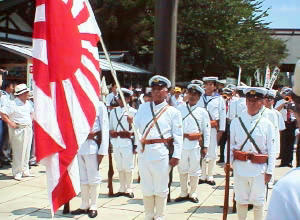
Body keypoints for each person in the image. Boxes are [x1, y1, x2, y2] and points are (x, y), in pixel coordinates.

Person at [134, 75, 183, 220]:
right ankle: (149, 216)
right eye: (154, 89)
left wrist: (176, 155)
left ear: (166, 92)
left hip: (162, 152)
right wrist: (131, 121)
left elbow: (178, 135)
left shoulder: (173, 112)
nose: (156, 92)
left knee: (161, 188)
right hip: (144, 152)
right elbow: (136, 129)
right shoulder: (143, 108)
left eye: (160, 89)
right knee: (147, 187)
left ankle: (160, 216)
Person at [225, 87, 276, 220]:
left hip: (259, 169)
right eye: (250, 100)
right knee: (241, 200)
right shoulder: (236, 122)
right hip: (240, 166)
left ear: (262, 102)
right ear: (246, 102)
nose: (253, 103)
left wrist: (270, 171)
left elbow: (272, 149)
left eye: (256, 100)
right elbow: (230, 145)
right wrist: (228, 162)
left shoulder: (267, 124)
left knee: (258, 201)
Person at [266, 60, 300, 220]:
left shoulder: (290, 189)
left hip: (291, 126)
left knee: (289, 147)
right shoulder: (280, 102)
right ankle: (284, 159)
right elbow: (276, 110)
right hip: (286, 125)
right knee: (287, 145)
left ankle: (287, 159)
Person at [71, 100, 109, 218]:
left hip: (93, 145)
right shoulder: (77, 103)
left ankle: (93, 205)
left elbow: (105, 127)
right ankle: (84, 204)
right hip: (80, 145)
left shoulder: (99, 105)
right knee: (83, 178)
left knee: (94, 178)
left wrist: (103, 150)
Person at [175, 84, 211, 203]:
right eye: (190, 94)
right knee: (182, 169)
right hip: (182, 144)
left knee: (195, 170)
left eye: (195, 94)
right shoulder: (179, 109)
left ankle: (193, 193)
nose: (192, 96)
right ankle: (183, 192)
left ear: (199, 97)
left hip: (195, 145)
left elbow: (206, 130)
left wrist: (205, 146)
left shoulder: (202, 112)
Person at [0, 84, 34, 181]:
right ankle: (17, 172)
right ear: (21, 94)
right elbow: (3, 113)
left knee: (27, 150)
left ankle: (25, 170)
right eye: (26, 92)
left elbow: (32, 112)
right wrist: (11, 123)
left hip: (27, 128)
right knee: (19, 151)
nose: (28, 94)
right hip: (18, 129)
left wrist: (30, 120)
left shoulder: (28, 103)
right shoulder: (12, 103)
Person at [198, 77, 226, 185]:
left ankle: (210, 175)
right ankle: (203, 175)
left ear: (215, 86)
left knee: (213, 152)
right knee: (202, 151)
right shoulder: (200, 98)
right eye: (207, 84)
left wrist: (221, 130)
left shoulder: (219, 99)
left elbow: (222, 116)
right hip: (201, 129)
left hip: (213, 128)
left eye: (211, 84)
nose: (208, 86)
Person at [110, 88, 137, 198]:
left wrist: (136, 145)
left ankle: (129, 188)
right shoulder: (113, 111)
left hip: (127, 142)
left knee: (128, 167)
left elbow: (137, 130)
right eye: (119, 98)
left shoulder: (133, 112)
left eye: (123, 98)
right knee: (120, 166)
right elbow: (110, 127)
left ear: (128, 99)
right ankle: (122, 187)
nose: (121, 100)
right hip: (117, 142)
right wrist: (111, 139)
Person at [275, 88, 296, 167]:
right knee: (284, 143)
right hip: (284, 123)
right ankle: (284, 161)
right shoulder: (280, 102)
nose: (288, 97)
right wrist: (284, 103)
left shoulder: (294, 102)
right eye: (286, 95)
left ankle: (289, 161)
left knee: (290, 143)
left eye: (289, 95)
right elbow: (276, 110)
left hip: (292, 123)